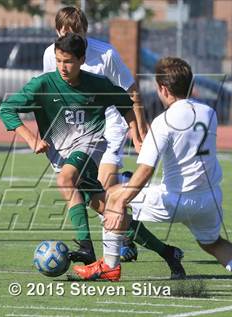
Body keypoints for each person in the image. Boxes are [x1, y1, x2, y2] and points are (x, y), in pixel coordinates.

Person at [73, 57, 232, 297]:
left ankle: (110, 266)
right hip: (208, 199)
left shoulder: (163, 122)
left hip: (174, 200)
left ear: (164, 89)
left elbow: (145, 172)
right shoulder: (209, 113)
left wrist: (120, 201)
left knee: (111, 198)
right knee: (213, 243)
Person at [0, 35, 186, 279]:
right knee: (111, 212)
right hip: (62, 153)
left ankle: (86, 248)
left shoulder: (96, 83)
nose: (62, 67)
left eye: (68, 61)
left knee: (65, 180)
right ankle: (168, 252)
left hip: (90, 144)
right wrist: (30, 138)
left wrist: (136, 135)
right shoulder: (43, 85)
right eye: (58, 61)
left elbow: (126, 104)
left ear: (82, 60)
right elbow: (7, 109)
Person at [43, 6, 148, 262]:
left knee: (102, 184)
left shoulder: (106, 54)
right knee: (93, 195)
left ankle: (113, 253)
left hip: (110, 123)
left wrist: (138, 130)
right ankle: (128, 237)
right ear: (57, 32)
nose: (70, 40)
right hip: (77, 129)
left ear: (85, 32)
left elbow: (130, 90)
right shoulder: (51, 53)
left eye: (75, 33)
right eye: (64, 33)